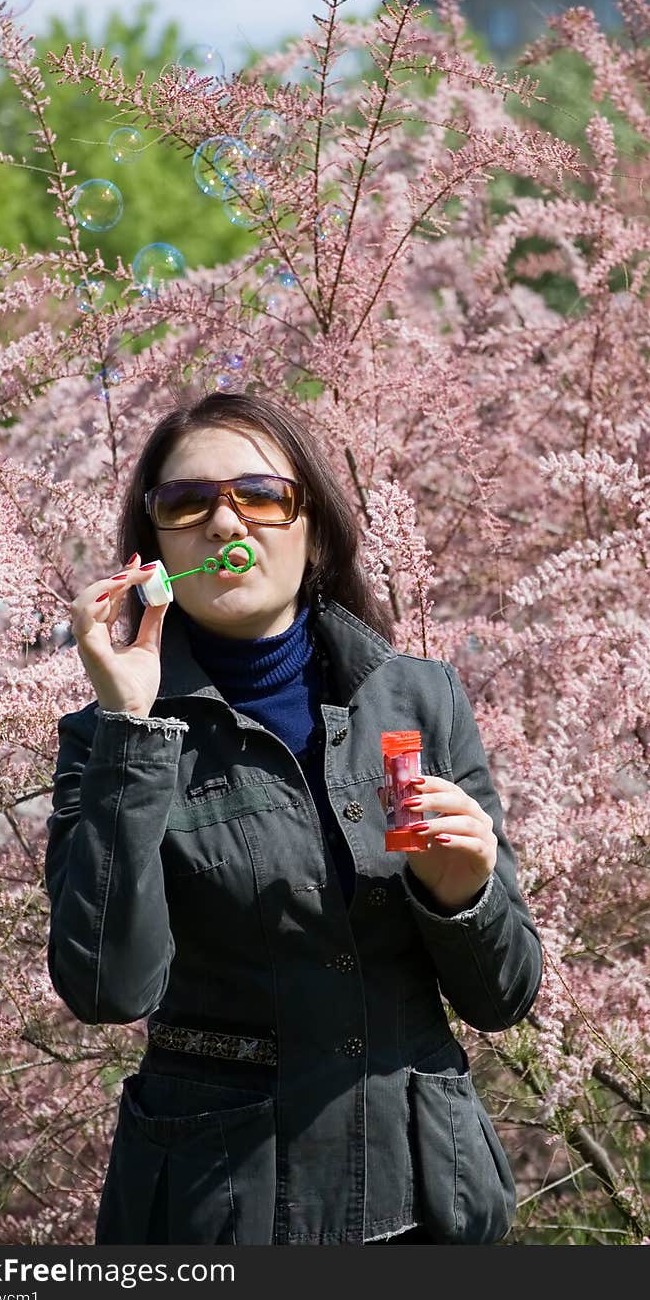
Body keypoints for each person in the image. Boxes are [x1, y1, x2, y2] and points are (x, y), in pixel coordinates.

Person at [43, 391, 543, 1246]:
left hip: (429, 1199)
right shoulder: (109, 738)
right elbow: (106, 989)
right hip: (224, 1211)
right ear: (152, 548)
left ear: (311, 526)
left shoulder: (419, 699)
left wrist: (464, 898)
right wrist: (132, 725)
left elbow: (504, 996)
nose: (222, 520)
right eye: (185, 501)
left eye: (260, 494)